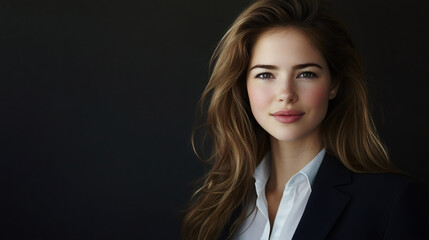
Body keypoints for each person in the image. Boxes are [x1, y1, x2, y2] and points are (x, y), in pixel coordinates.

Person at [182, 0, 429, 239]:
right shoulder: (218, 204)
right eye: (266, 74)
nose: (286, 94)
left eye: (306, 74)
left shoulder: (391, 202)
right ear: (243, 85)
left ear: (334, 84)